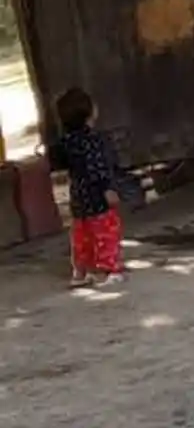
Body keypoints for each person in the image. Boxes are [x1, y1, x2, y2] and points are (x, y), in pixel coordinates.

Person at [49, 88, 125, 287]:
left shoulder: (66, 142)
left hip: (78, 195)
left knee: (82, 233)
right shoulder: (94, 140)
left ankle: (83, 269)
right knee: (105, 231)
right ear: (89, 112)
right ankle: (107, 269)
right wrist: (108, 188)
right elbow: (97, 166)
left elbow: (58, 164)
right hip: (97, 195)